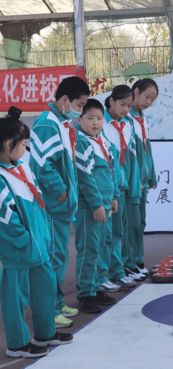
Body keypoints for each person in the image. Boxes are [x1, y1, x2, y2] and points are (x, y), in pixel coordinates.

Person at [0, 107, 73, 358]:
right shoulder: (1, 177)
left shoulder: (21, 166)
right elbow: (6, 219)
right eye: (23, 145)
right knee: (16, 298)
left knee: (45, 289)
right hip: (18, 250)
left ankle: (45, 333)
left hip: (38, 245)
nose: (25, 149)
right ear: (8, 144)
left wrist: (41, 236)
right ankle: (18, 343)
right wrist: (24, 240)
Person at [29, 76, 89, 328]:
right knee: (52, 258)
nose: (81, 109)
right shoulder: (47, 124)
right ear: (65, 100)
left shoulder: (61, 122)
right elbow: (43, 165)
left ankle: (56, 302)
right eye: (79, 103)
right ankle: (48, 309)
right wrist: (61, 191)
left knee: (60, 256)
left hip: (62, 205)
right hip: (53, 205)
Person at [75, 99, 120, 313]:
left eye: (99, 118)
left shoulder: (103, 141)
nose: (95, 123)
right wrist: (96, 204)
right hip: (90, 207)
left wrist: (114, 197)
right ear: (80, 118)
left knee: (103, 245)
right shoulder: (81, 142)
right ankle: (86, 294)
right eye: (90, 118)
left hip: (105, 203)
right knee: (89, 249)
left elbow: (111, 171)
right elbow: (86, 177)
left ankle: (98, 285)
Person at [102, 85, 143, 288]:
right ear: (111, 101)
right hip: (109, 186)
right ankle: (108, 273)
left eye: (128, 105)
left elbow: (133, 158)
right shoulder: (99, 123)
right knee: (110, 232)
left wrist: (134, 183)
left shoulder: (129, 124)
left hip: (125, 184)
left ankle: (120, 269)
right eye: (122, 105)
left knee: (123, 229)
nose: (126, 109)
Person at [129, 79, 159, 276]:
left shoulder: (142, 119)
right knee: (129, 225)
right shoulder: (126, 119)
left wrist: (151, 175)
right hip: (132, 181)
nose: (149, 102)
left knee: (140, 223)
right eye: (147, 97)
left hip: (142, 180)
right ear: (136, 91)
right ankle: (129, 263)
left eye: (152, 99)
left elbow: (146, 150)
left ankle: (137, 260)